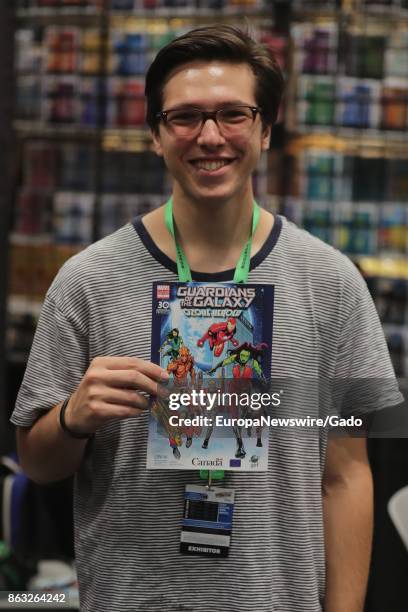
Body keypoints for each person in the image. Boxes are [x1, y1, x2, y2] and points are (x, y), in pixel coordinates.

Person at [11, 25, 402, 612]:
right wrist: (72, 416)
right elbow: (37, 463)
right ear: (155, 135)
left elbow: (346, 476)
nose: (210, 136)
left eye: (233, 114)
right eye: (185, 117)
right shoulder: (87, 278)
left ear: (266, 129)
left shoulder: (333, 281)